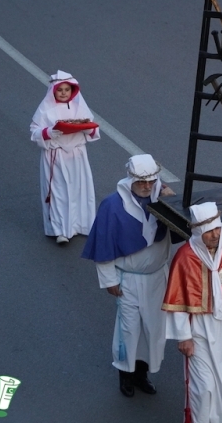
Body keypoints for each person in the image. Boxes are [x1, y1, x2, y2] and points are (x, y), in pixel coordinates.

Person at [81, 154, 176, 397]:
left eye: (151, 181)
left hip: (157, 277)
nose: (146, 186)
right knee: (129, 329)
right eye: (140, 182)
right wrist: (110, 279)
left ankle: (142, 374)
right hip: (129, 279)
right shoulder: (112, 205)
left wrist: (175, 205)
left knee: (153, 329)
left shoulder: (163, 200)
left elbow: (184, 230)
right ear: (130, 179)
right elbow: (103, 245)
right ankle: (125, 375)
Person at [163, 202, 222, 423]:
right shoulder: (185, 258)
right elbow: (178, 302)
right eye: (209, 231)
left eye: (217, 229)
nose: (215, 235)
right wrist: (183, 336)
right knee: (203, 389)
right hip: (201, 335)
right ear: (198, 231)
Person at [30, 70, 100, 244]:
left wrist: (87, 128)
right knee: (58, 193)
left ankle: (81, 225)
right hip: (56, 155)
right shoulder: (45, 109)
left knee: (79, 189)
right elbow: (34, 131)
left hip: (77, 155)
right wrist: (49, 132)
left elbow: (94, 129)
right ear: (53, 90)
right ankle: (60, 229)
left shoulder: (79, 108)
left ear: (73, 91)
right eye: (60, 90)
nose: (63, 93)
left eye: (66, 90)